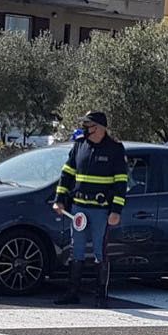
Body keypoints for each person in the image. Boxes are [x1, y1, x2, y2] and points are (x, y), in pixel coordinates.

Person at [53, 111, 127, 308]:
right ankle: (72, 292)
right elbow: (66, 174)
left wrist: (116, 211)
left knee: (99, 253)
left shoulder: (115, 149)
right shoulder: (79, 145)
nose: (85, 128)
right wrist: (59, 199)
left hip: (101, 211)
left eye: (89, 125)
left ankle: (101, 295)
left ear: (101, 128)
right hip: (78, 209)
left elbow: (121, 182)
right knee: (76, 251)